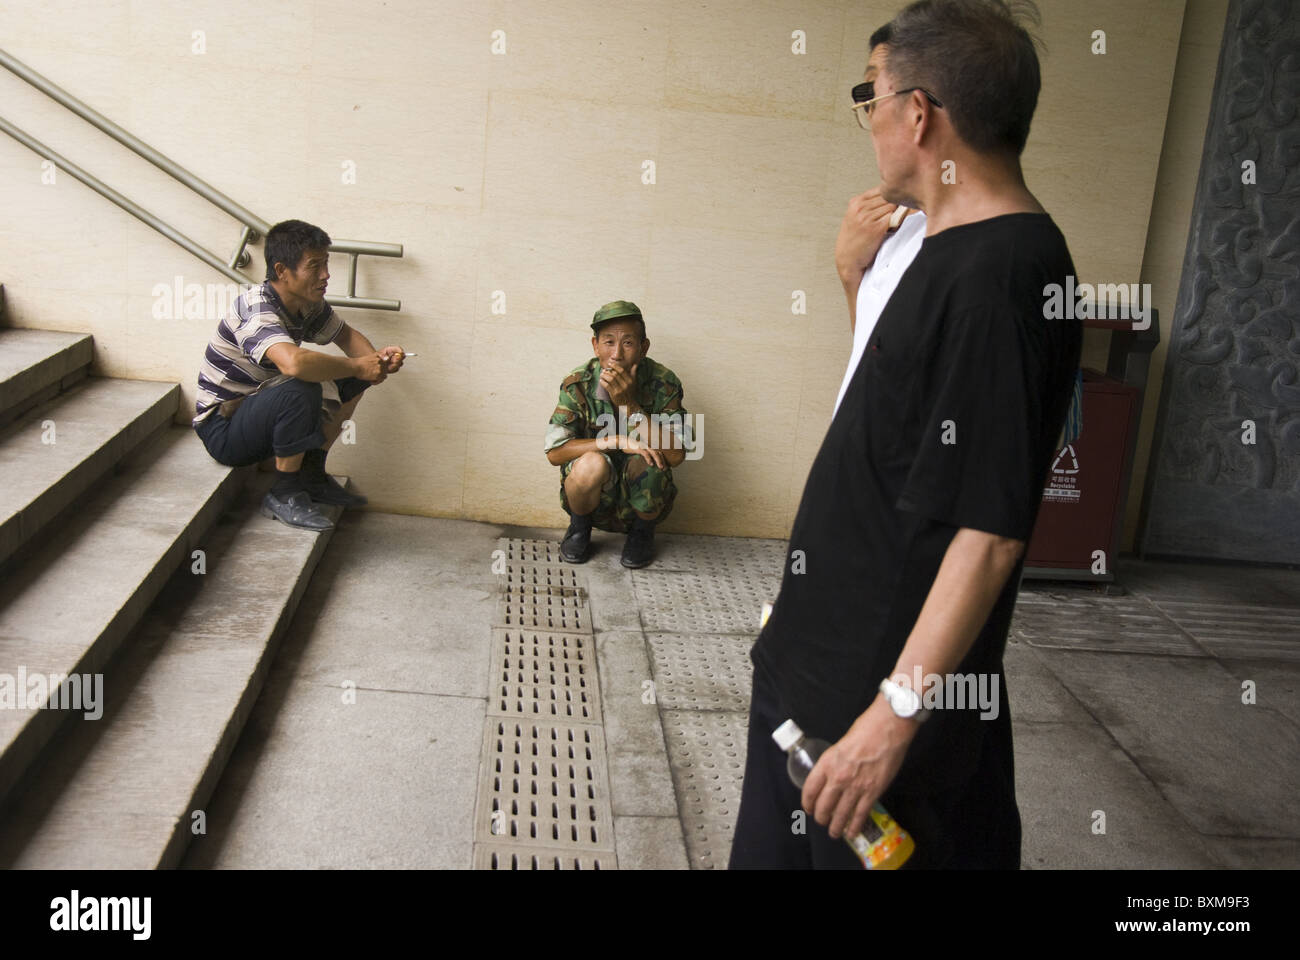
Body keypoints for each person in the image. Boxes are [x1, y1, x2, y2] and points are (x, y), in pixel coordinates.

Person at [730, 0, 1082, 869]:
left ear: (918, 113)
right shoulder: (934, 246)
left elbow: (989, 534)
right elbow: (886, 424)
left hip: (870, 714)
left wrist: (892, 718)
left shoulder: (1003, 276)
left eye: (873, 96)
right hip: (812, 671)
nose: (872, 119)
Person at [192, 219, 406, 531]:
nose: (326, 275)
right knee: (300, 386)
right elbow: (293, 364)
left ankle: (311, 473)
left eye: (327, 263)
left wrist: (376, 363)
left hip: (258, 414)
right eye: (315, 265)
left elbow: (346, 337)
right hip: (223, 428)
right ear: (282, 271)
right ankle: (284, 494)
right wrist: (360, 365)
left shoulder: (307, 303)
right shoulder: (256, 308)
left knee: (354, 376)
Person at [544, 301, 691, 568]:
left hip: (644, 498)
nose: (617, 354)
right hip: (594, 498)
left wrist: (630, 406)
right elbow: (555, 453)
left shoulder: (664, 382)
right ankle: (579, 530)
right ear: (595, 345)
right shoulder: (578, 382)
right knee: (591, 462)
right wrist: (612, 441)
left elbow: (677, 454)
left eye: (628, 343)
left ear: (644, 347)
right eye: (609, 342)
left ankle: (642, 534)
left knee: (651, 460)